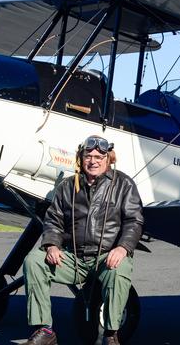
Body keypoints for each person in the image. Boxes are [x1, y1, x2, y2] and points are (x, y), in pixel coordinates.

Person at [23, 135, 144, 345]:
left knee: (121, 268)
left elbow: (134, 221)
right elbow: (53, 219)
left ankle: (111, 334)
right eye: (88, 155)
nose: (93, 161)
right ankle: (44, 331)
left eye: (99, 156)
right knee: (34, 261)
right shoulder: (68, 186)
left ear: (108, 159)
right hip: (73, 258)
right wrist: (52, 244)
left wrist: (123, 248)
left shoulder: (124, 184)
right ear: (81, 158)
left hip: (107, 257)